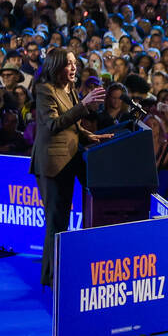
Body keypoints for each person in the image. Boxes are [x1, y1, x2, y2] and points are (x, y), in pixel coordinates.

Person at [31, 47, 108, 286]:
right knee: (56, 222)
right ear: (56, 66)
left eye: (75, 63)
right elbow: (54, 125)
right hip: (53, 164)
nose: (74, 67)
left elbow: (72, 127)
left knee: (62, 221)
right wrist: (83, 105)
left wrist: (89, 136)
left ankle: (57, 272)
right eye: (69, 63)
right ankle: (50, 278)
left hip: (72, 159)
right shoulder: (45, 90)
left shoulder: (70, 88)